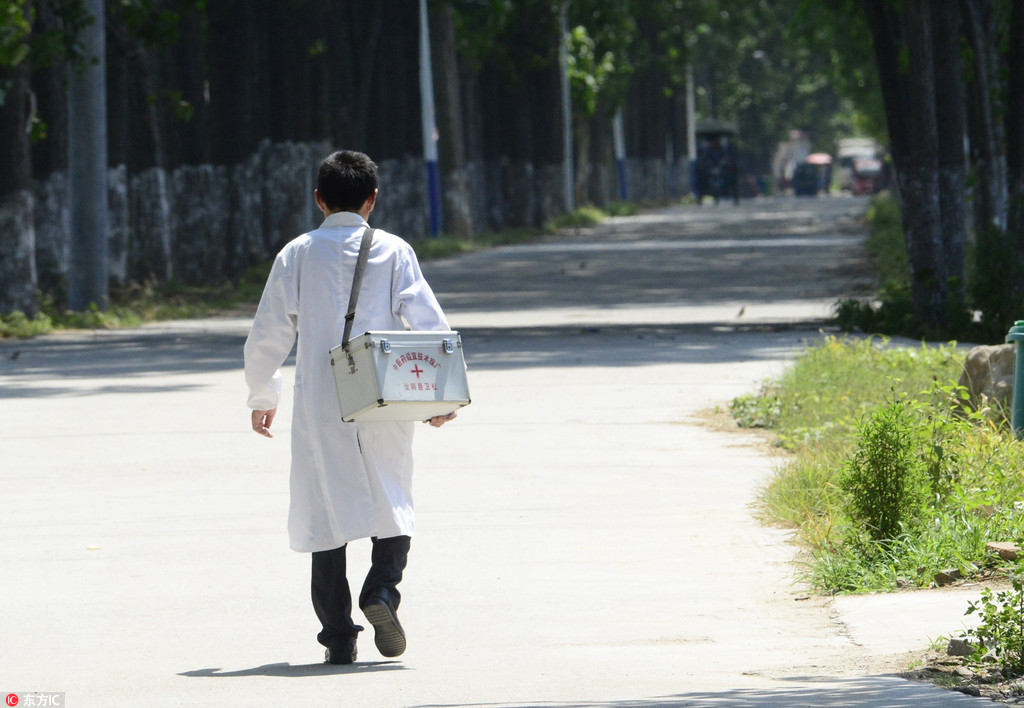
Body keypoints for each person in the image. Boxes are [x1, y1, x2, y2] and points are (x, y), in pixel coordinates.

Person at [244, 150, 456, 665]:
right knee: (391, 488)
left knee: (325, 507)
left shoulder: (296, 254)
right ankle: (382, 591)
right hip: (384, 388)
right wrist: (440, 396)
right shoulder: (394, 250)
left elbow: (269, 333)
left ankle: (339, 636)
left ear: (318, 200)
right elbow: (428, 323)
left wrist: (262, 394)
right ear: (372, 199)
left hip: (321, 394)